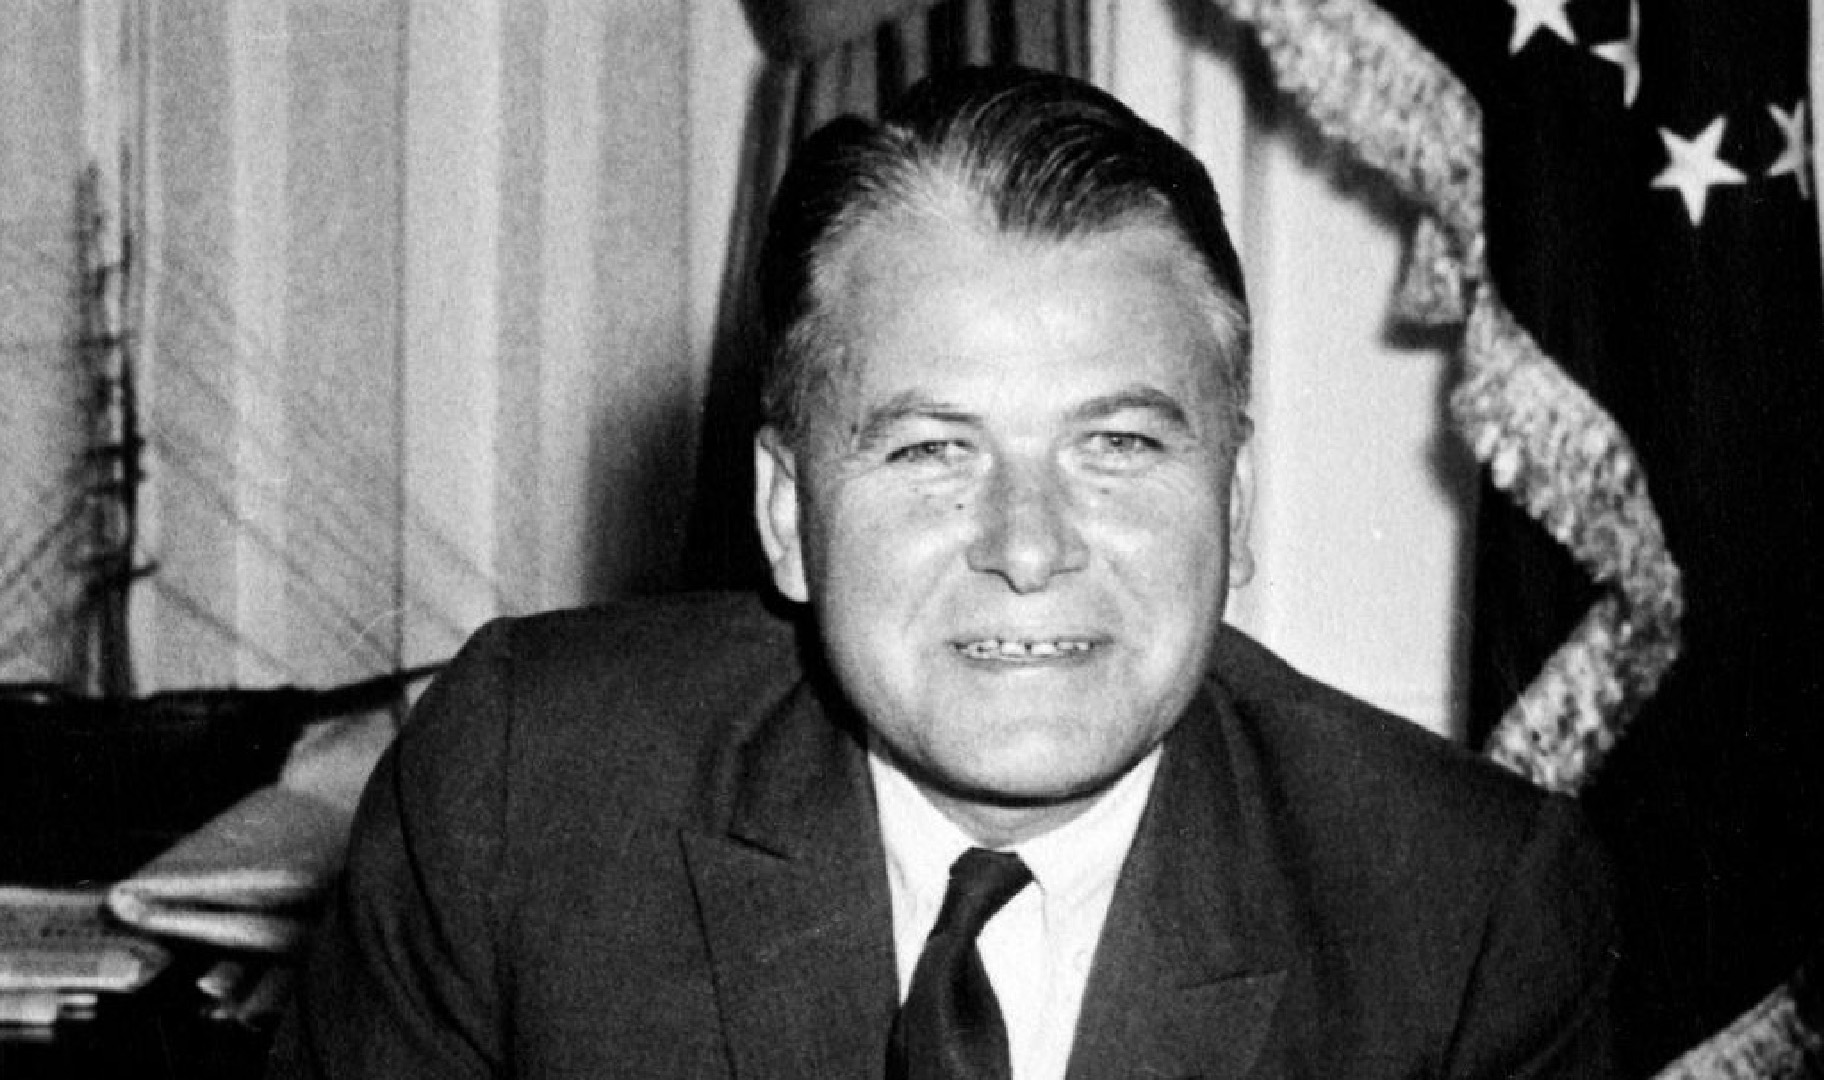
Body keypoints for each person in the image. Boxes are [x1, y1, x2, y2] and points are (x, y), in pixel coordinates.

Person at [269, 66, 1617, 1079]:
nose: (1028, 548)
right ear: (788, 516)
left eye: (1122, 446)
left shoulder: (1463, 922)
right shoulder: (525, 800)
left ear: (1239, 500)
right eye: (930, 451)